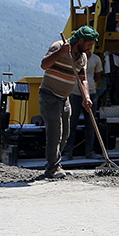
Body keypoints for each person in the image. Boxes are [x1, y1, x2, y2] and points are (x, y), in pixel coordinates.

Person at [39, 26, 97, 177]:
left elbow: (83, 78)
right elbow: (44, 65)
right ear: (81, 41)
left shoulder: (83, 57)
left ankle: (55, 165)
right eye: (89, 44)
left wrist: (87, 97)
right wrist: (60, 53)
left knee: (65, 134)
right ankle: (52, 168)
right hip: (49, 96)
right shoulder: (58, 46)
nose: (90, 48)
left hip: (65, 98)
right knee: (55, 134)